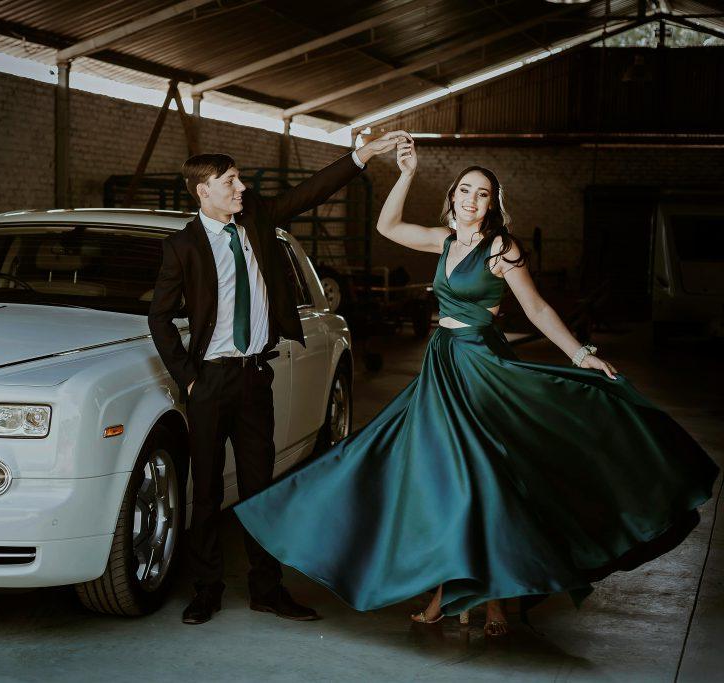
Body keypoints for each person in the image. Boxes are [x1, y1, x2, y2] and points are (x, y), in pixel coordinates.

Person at [234, 131, 719, 636]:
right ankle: (457, 587)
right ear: (453, 198)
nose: (472, 199)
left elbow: (535, 307)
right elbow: (387, 225)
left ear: (492, 204)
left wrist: (580, 354)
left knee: (483, 480)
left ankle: (489, 596)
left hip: (482, 366)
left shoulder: (501, 248)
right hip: (440, 366)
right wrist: (407, 173)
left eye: (482, 193)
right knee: (436, 479)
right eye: (465, 190)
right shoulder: (442, 240)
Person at [147, 135, 398, 625]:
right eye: (230, 181)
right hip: (210, 382)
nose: (242, 187)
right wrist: (189, 379)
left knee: (263, 489)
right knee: (207, 494)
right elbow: (159, 317)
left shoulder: (257, 219)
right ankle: (206, 590)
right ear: (203, 191)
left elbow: (310, 192)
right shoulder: (182, 247)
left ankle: (268, 589)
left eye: (239, 179)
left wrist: (362, 156)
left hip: (254, 378)